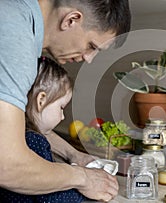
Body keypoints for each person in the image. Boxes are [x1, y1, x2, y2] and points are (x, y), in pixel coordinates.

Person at [0, 0, 131, 202]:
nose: (89, 58)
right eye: (91, 46)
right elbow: (8, 165)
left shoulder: (14, 15)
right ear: (71, 20)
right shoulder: (15, 36)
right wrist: (83, 179)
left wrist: (74, 155)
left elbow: (17, 126)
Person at [0, 57, 88, 202]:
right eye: (61, 108)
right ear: (41, 101)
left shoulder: (12, 133)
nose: (62, 117)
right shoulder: (34, 140)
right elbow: (50, 198)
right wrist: (81, 191)